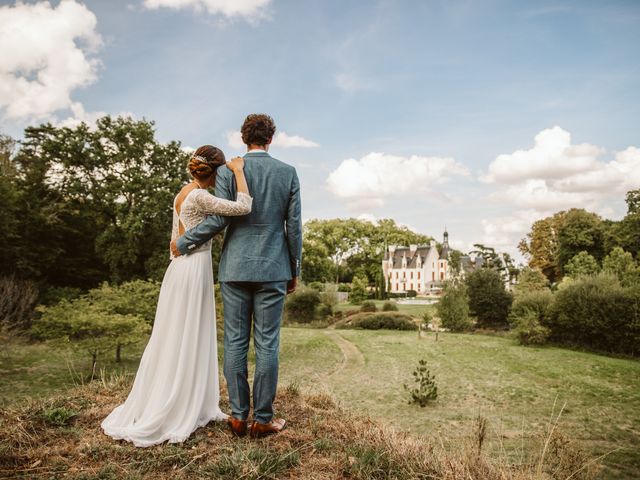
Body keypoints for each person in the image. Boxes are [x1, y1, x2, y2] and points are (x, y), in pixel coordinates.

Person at [101, 145, 252, 447]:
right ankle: (181, 403)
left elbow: (175, 239)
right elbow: (243, 206)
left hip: (179, 268)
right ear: (216, 171)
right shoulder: (199, 195)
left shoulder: (182, 192)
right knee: (189, 334)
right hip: (194, 268)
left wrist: (181, 249)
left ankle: (196, 400)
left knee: (177, 334)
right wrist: (238, 172)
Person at [171, 113, 302, 438]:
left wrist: (184, 242)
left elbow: (218, 221)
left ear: (244, 138)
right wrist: (294, 269)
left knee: (235, 342)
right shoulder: (287, 172)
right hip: (274, 268)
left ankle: (239, 417)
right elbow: (294, 228)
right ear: (271, 138)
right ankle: (264, 419)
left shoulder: (230, 172)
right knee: (268, 344)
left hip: (234, 269)